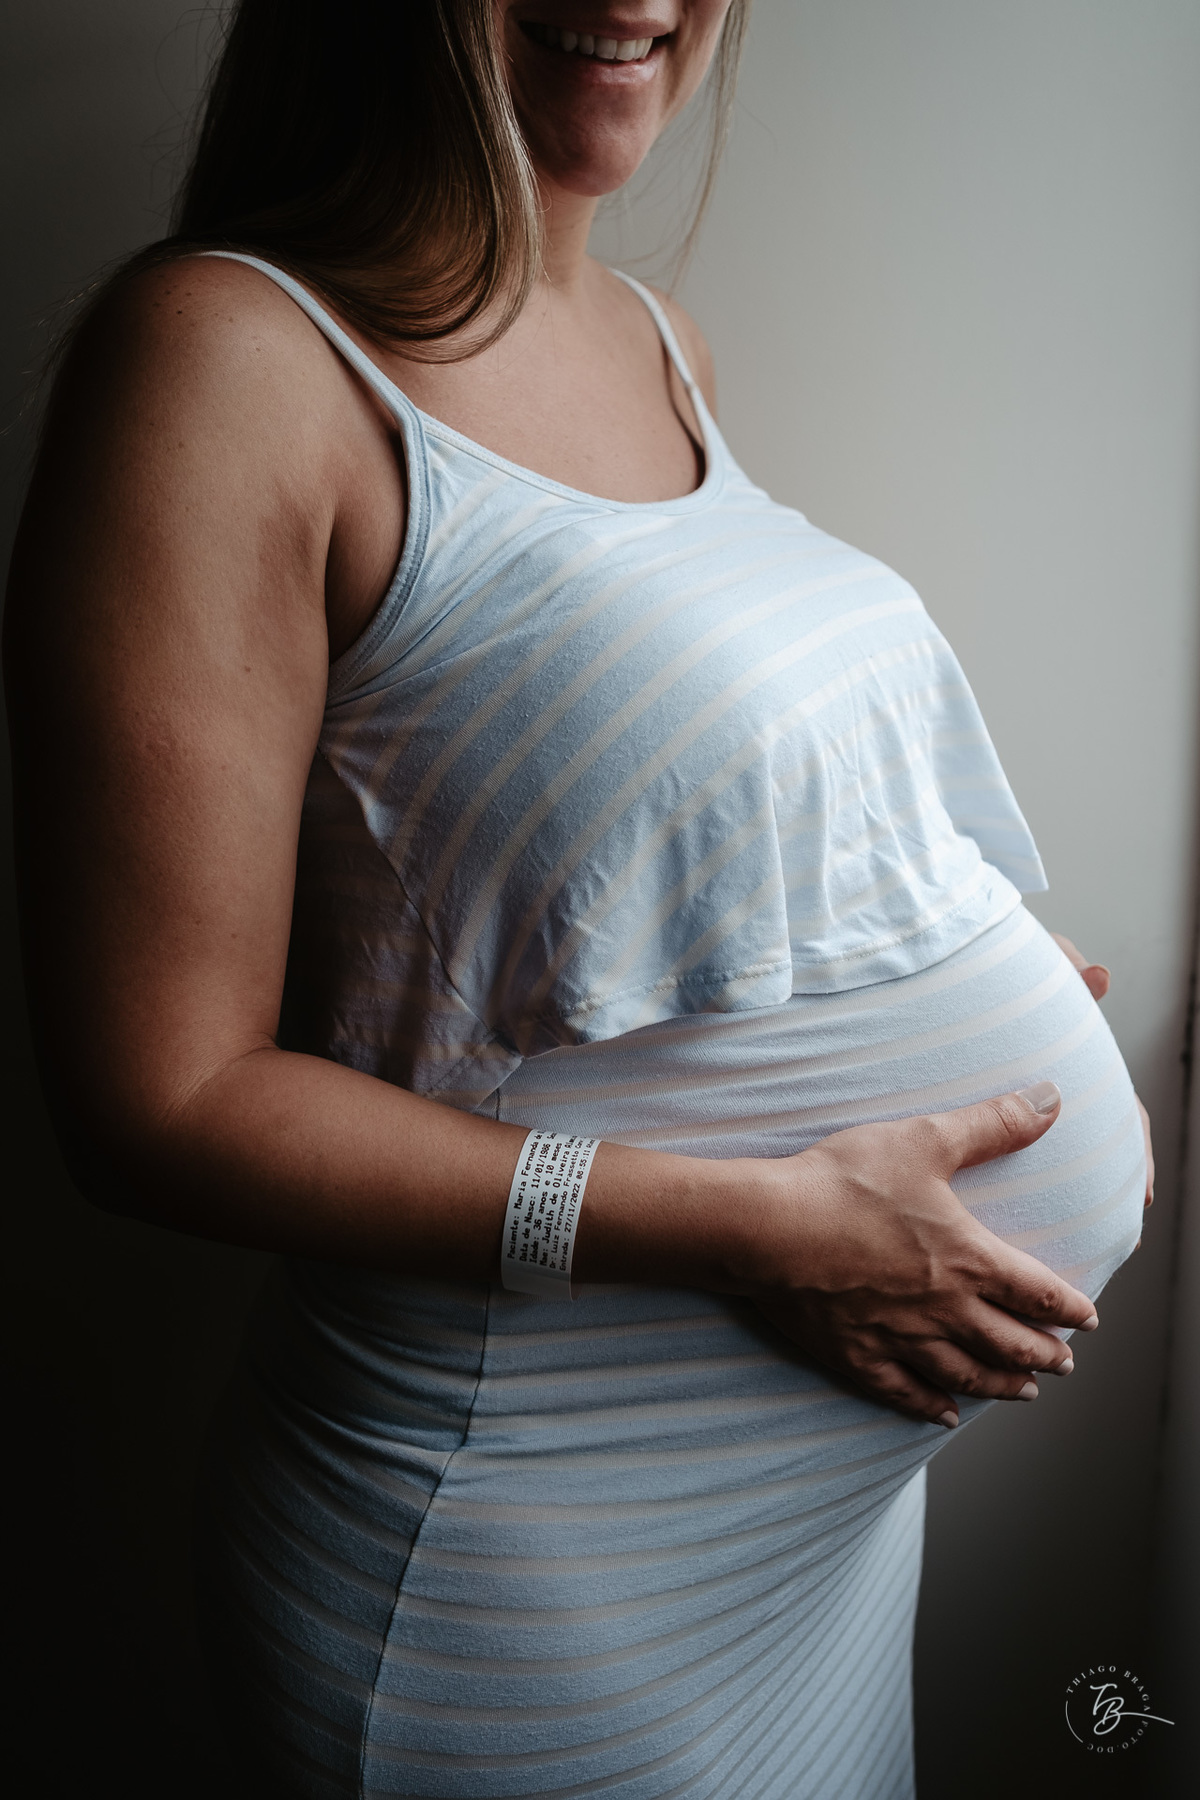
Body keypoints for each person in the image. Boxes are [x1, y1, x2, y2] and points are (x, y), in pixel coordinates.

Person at [4, 4, 1153, 1796]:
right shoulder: (229, 357)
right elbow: (158, 1099)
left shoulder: (655, 341)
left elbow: (605, 876)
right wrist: (760, 1223)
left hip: (808, 1556)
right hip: (522, 1577)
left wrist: (916, 974)